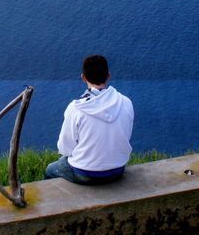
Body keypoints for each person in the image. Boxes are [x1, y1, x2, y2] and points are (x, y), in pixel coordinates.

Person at [45, 54, 134, 185]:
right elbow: (125, 136)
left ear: (83, 77)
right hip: (117, 170)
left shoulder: (76, 108)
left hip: (85, 174)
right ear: (108, 75)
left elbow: (65, 148)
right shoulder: (126, 102)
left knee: (50, 169)